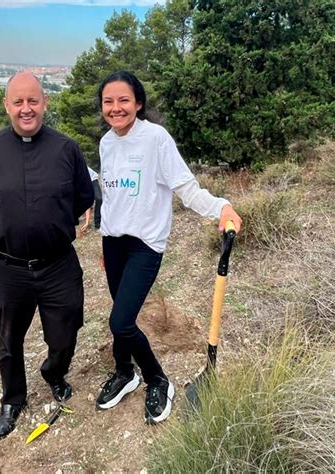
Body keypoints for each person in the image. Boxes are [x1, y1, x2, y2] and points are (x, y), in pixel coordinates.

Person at [95, 71, 242, 424]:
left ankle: (157, 379)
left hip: (145, 244)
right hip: (114, 243)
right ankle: (124, 371)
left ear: (139, 103)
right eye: (108, 102)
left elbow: (185, 187)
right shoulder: (106, 142)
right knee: (122, 315)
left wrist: (220, 207)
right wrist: (105, 238)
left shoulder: (155, 139)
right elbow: (111, 196)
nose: (116, 108)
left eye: (124, 100)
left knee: (121, 320)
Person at [0, 72, 94, 440]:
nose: (26, 109)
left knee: (66, 333)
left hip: (58, 265)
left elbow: (83, 198)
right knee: (9, 340)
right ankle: (13, 399)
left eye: (33, 101)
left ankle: (54, 372)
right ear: (7, 106)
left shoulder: (66, 149)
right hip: (7, 268)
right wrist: (8, 228)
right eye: (18, 102)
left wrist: (50, 227)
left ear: (45, 102)